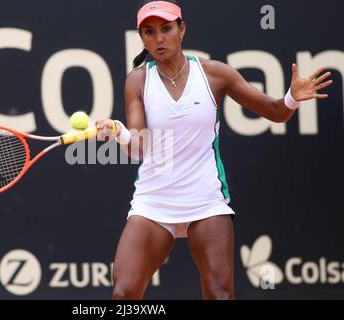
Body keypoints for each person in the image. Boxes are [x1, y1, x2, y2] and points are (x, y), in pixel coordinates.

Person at [95, 0, 332, 300]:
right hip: (154, 201)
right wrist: (119, 132)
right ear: (141, 37)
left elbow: (274, 112)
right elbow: (140, 147)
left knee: (220, 295)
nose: (159, 38)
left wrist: (292, 98)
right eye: (149, 32)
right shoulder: (138, 81)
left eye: (166, 29)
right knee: (123, 294)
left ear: (182, 29)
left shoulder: (214, 74)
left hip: (206, 201)